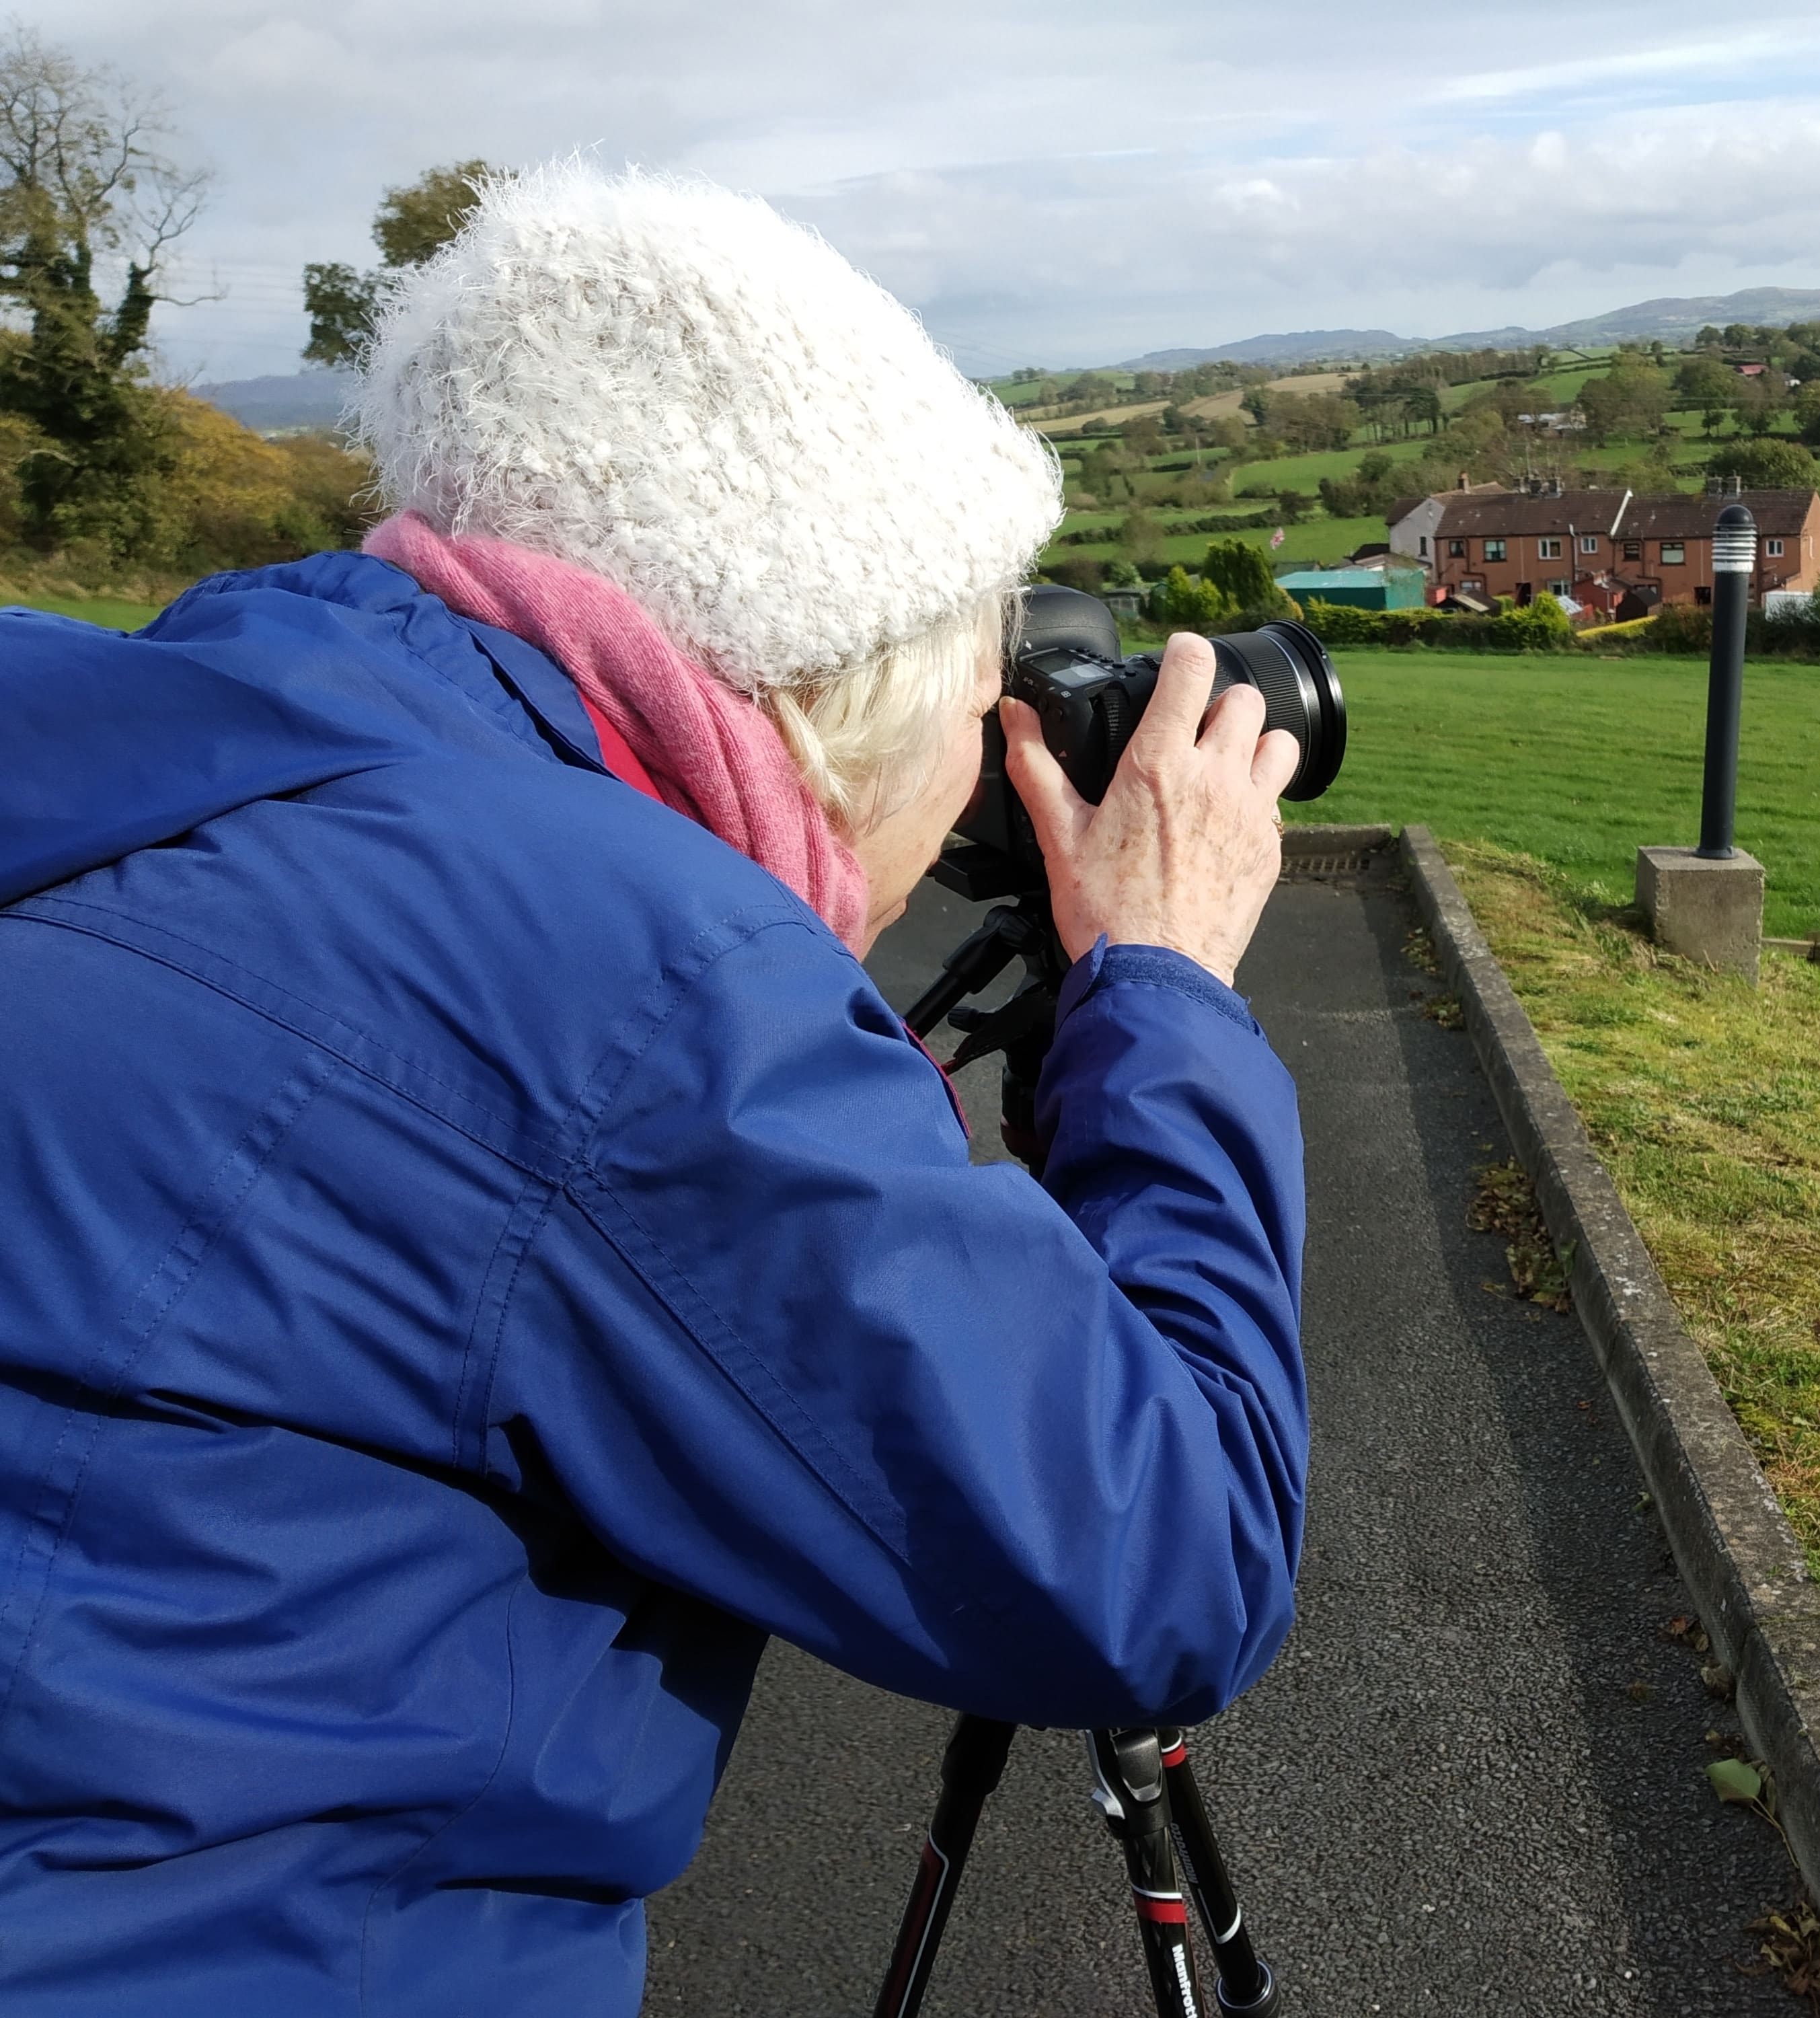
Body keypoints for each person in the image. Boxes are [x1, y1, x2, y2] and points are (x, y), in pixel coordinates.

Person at [0, 163, 1308, 2016]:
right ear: (827, 675)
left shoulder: (139, 757)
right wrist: (1161, 992)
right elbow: (1169, 1559)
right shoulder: (625, 986)